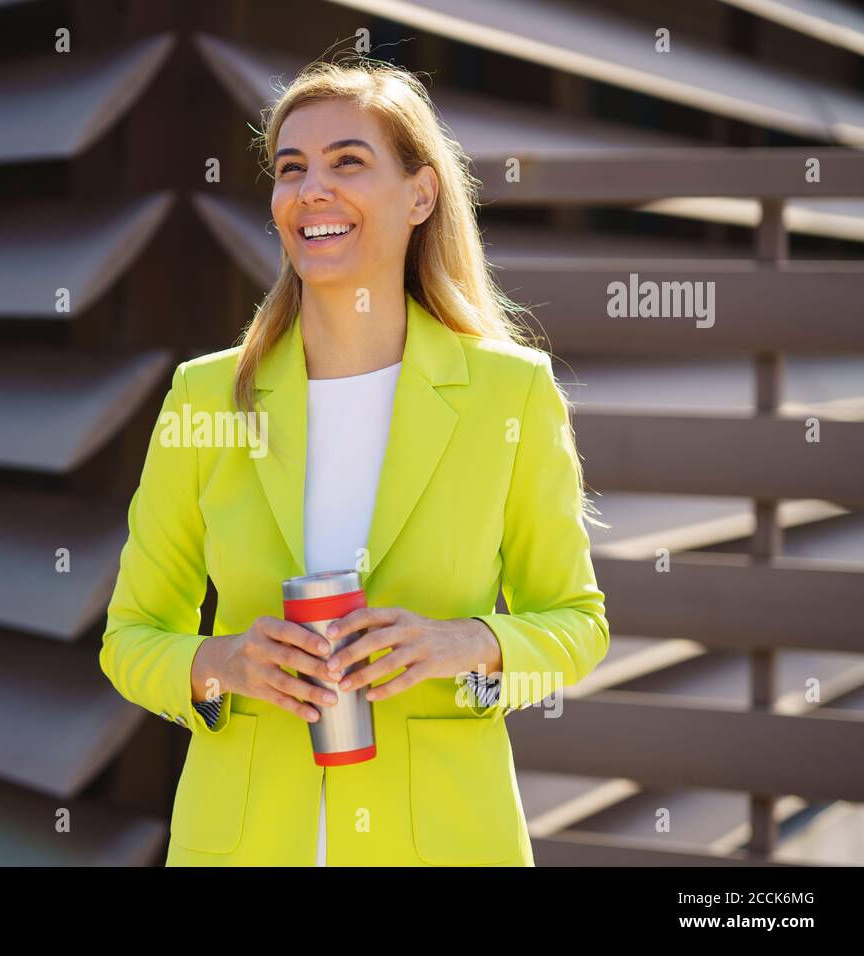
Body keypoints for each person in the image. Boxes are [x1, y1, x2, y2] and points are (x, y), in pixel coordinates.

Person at [99, 57, 610, 866]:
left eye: (348, 162)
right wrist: (221, 662)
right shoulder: (207, 398)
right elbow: (130, 637)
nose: (311, 191)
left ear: (420, 194)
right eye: (291, 169)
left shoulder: (508, 394)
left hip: (444, 840)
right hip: (242, 842)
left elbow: (577, 624)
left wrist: (467, 644)